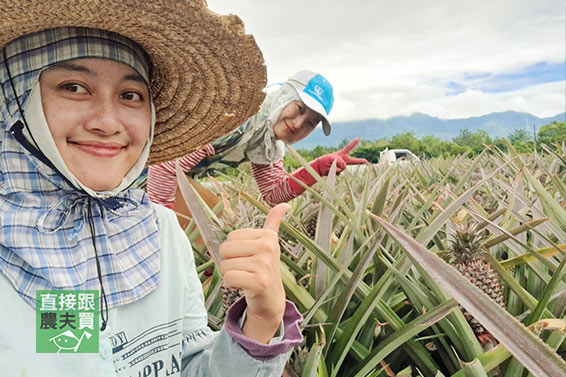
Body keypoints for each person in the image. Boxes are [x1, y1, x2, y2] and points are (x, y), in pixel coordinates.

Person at [0, 1, 303, 376]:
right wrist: (160, 198)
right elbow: (175, 167)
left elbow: (186, 366)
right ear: (13, 101)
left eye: (130, 95)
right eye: (74, 87)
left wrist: (262, 318)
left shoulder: (160, 232)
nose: (108, 123)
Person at [147, 71, 368, 209]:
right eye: (299, 108)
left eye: (311, 123)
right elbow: (164, 169)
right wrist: (163, 228)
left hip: (165, 178)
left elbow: (273, 194)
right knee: (211, 231)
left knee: (218, 229)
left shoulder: (266, 139)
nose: (299, 124)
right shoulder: (238, 117)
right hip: (137, 171)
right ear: (283, 97)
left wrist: (316, 167)